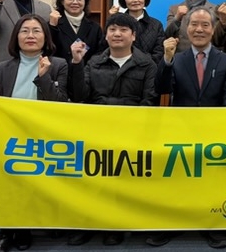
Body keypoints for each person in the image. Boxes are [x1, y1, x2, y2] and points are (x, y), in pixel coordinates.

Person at [0, 14, 68, 252]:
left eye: (36, 31)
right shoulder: (2, 68)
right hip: (11, 137)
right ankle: (7, 229)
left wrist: (44, 77)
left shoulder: (58, 65)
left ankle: (26, 226)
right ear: (16, 37)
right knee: (9, 178)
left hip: (45, 136)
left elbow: (60, 105)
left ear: (45, 37)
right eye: (24, 31)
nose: (30, 36)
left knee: (35, 180)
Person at [67, 13, 158, 246]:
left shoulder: (147, 64)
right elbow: (80, 96)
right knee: (92, 181)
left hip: (131, 132)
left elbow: (149, 101)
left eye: (123, 30)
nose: (117, 34)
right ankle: (88, 223)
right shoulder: (94, 62)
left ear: (133, 36)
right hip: (98, 131)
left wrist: (128, 124)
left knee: (121, 182)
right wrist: (76, 63)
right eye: (112, 30)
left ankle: (113, 225)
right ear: (106, 35)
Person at [154, 6, 226, 249]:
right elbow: (161, 88)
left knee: (212, 182)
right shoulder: (176, 59)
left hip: (215, 133)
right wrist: (166, 60)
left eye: (205, 25)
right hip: (182, 131)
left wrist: (224, 130)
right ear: (186, 28)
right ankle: (173, 224)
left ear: (213, 29)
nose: (199, 29)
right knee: (179, 181)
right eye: (194, 24)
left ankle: (213, 226)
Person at [49, 0, 106, 65]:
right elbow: (47, 50)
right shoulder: (54, 24)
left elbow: (100, 53)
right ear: (62, 1)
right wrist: (52, 27)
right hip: (61, 71)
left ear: (85, 2)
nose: (75, 2)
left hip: (87, 71)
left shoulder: (95, 28)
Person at [109, 0, 164, 65]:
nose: (135, 0)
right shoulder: (116, 23)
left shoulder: (157, 25)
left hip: (148, 70)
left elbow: (159, 54)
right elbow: (107, 49)